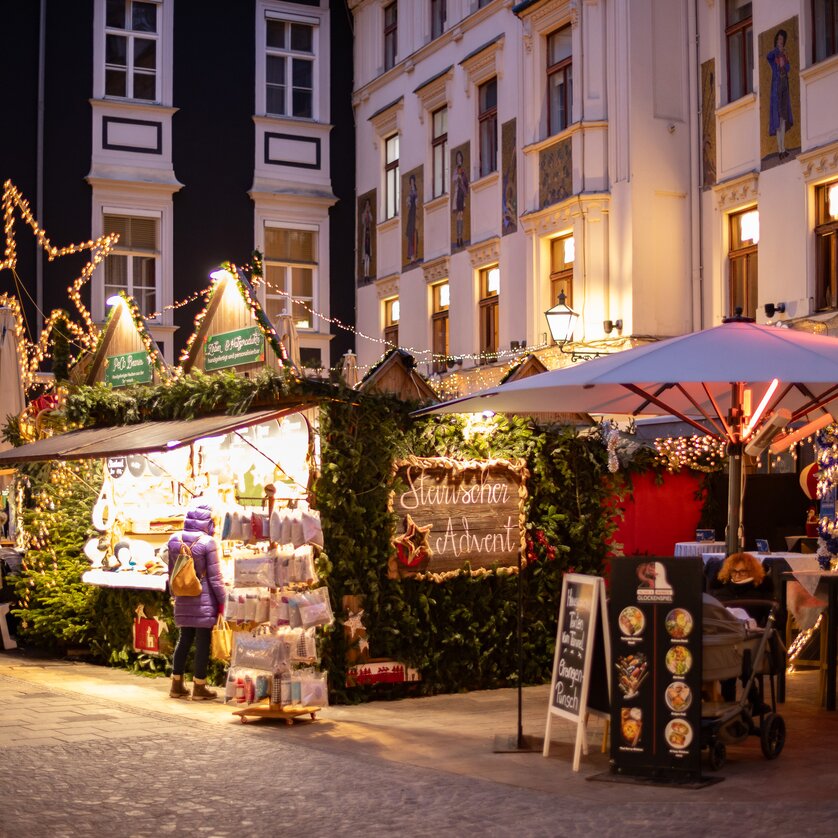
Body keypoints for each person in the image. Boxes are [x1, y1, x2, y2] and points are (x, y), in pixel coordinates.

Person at [167, 501, 226, 700]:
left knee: (183, 639)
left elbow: (171, 573)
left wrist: (174, 595)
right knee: (202, 642)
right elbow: (215, 578)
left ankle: (176, 685)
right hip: (204, 598)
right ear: (208, 521)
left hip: (182, 595)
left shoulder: (174, 539)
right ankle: (199, 687)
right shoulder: (208, 542)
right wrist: (223, 602)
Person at [767, 29, 793, 160]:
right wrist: (777, 51)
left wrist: (785, 59)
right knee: (778, 120)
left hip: (784, 87)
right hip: (776, 89)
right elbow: (768, 56)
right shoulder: (774, 55)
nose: (781, 41)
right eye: (779, 39)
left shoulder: (784, 55)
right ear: (776, 40)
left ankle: (783, 148)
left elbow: (788, 69)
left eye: (782, 39)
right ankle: (780, 150)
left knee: (783, 119)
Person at [452, 150, 469, 248]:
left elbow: (465, 181)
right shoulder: (456, 170)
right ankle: (458, 237)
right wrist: (458, 176)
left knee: (461, 215)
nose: (459, 159)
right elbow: (454, 179)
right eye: (457, 157)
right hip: (457, 194)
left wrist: (462, 178)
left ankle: (461, 237)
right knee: (458, 216)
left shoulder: (463, 170)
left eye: (460, 157)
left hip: (462, 194)